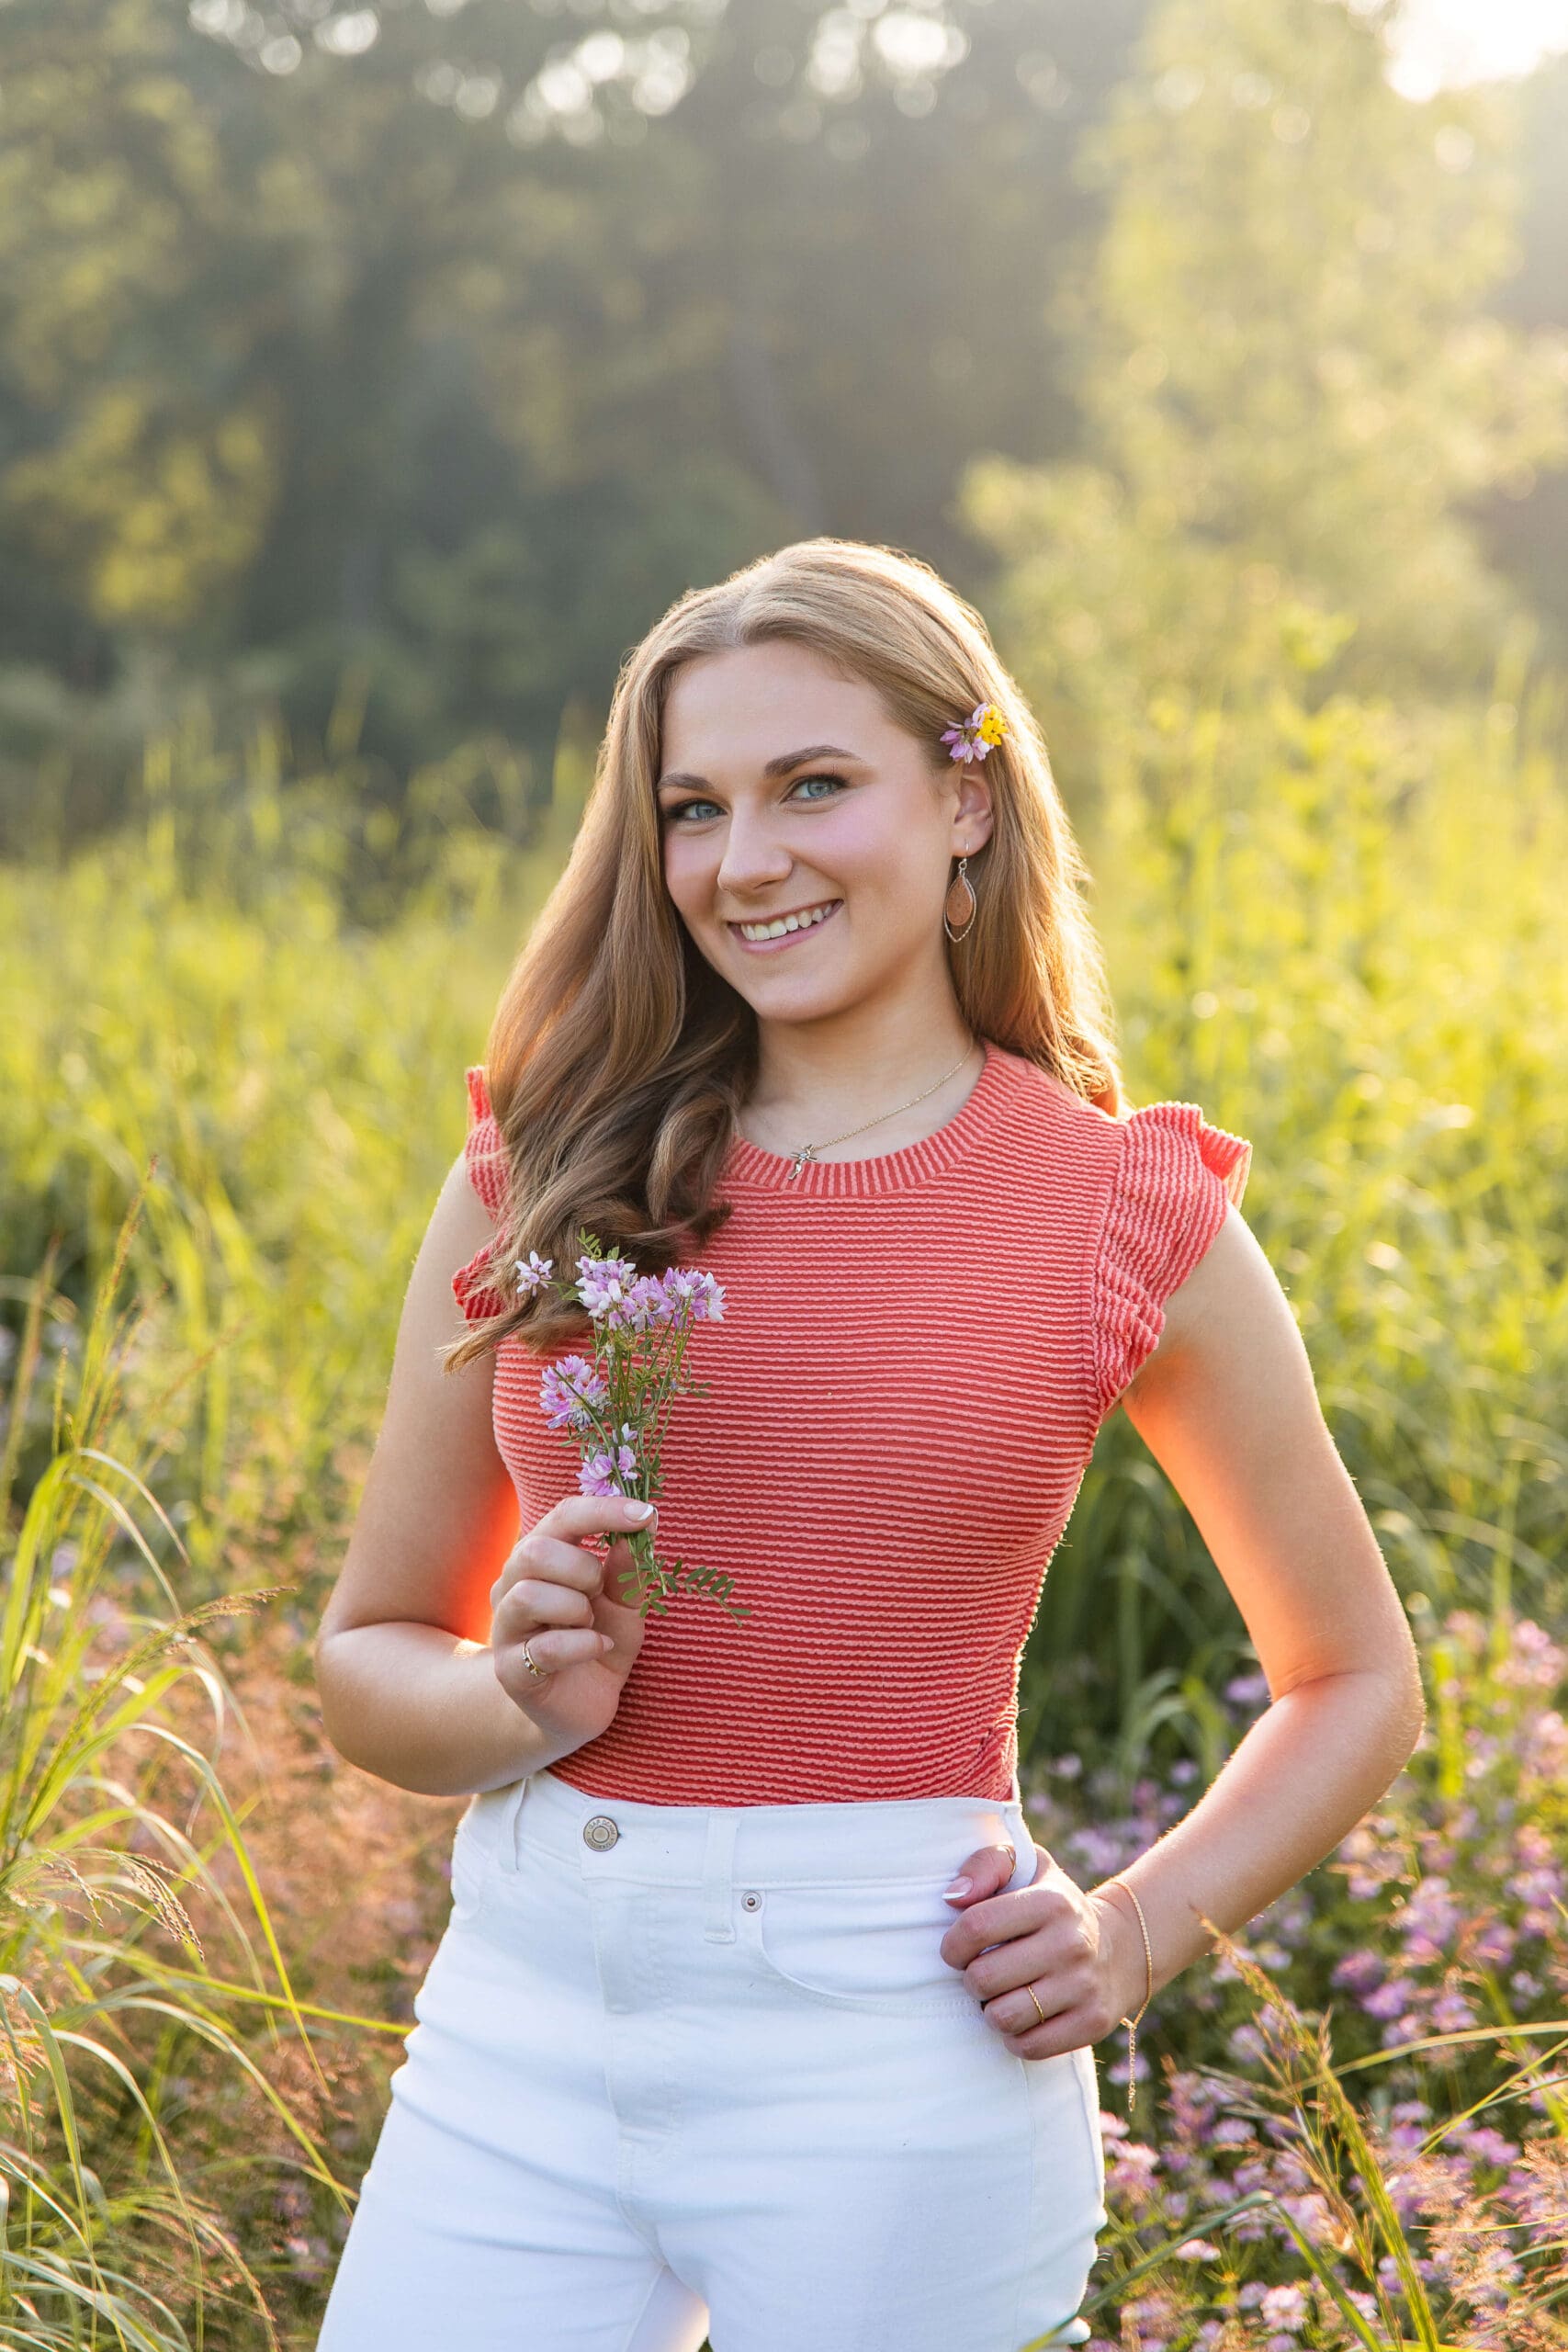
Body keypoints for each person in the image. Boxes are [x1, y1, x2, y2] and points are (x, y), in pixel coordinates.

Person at [312, 537, 1426, 2352]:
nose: (742, 861)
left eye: (810, 784)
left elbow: (1352, 1672)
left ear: (962, 794)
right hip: (521, 2022)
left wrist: (1135, 1930)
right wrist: (516, 1694)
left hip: (893, 2049)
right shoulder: (540, 1169)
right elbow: (368, 1662)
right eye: (691, 805)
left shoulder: (1112, 1205)